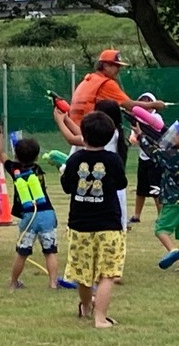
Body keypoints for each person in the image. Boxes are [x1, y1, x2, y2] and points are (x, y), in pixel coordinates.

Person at [61, 111, 127, 328]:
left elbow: (66, 187)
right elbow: (121, 184)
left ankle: (87, 306)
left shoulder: (74, 159)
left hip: (79, 225)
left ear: (84, 135)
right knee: (107, 273)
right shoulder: (113, 159)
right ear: (110, 137)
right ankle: (100, 318)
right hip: (109, 225)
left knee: (83, 273)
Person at [133, 118, 179, 271]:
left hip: (173, 201)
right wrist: (144, 134)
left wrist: (140, 137)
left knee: (160, 229)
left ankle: (172, 250)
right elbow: (158, 148)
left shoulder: (172, 155)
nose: (172, 136)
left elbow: (154, 153)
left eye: (176, 134)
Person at [53, 99, 128, 230]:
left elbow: (72, 139)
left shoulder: (104, 135)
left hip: (103, 184)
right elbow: (82, 134)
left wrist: (59, 121)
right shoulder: (111, 132)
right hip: (109, 184)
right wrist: (66, 118)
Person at [0, 135, 58, 289]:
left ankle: (13, 282)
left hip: (29, 215)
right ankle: (53, 283)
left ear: (16, 155)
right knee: (50, 251)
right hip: (47, 213)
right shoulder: (39, 170)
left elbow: (1, 154)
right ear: (36, 157)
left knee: (22, 252)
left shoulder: (14, 168)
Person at [69, 49, 165, 125]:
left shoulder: (89, 79)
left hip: (78, 129)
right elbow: (130, 106)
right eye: (116, 66)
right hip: (92, 132)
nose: (118, 69)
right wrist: (154, 105)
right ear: (106, 66)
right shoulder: (106, 83)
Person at [129, 92, 163, 223]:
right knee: (141, 189)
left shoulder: (157, 117)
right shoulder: (137, 121)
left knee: (155, 189)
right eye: (143, 101)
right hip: (142, 158)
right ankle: (136, 215)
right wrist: (134, 138)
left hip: (154, 158)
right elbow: (132, 137)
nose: (146, 104)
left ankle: (161, 216)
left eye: (149, 101)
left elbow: (157, 133)